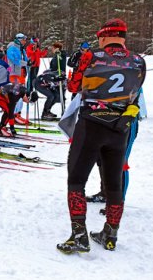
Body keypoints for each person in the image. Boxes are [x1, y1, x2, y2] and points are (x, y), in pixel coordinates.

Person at [57, 18, 146, 254]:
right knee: (114, 184)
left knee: (76, 180)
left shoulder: (92, 57)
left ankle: (79, 235)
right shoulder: (138, 61)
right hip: (119, 128)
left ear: (105, 37)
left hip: (91, 124)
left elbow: (74, 86)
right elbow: (135, 93)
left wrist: (76, 69)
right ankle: (110, 234)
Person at [7, 33, 29, 125]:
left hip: (20, 73)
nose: (25, 41)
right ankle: (14, 115)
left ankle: (18, 114)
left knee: (21, 93)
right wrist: (25, 63)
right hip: (14, 73)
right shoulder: (12, 46)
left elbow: (24, 59)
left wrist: (28, 62)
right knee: (16, 95)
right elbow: (14, 59)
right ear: (19, 39)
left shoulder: (21, 48)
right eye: (24, 39)